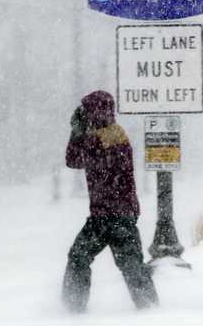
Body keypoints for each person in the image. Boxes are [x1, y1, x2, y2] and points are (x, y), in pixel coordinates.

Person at [62, 90, 158, 312]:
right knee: (130, 265)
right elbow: (76, 159)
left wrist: (76, 132)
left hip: (111, 214)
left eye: (86, 111)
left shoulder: (106, 138)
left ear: (95, 112)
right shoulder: (110, 134)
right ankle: (150, 308)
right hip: (112, 213)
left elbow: (74, 159)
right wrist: (78, 132)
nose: (84, 115)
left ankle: (71, 308)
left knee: (81, 257)